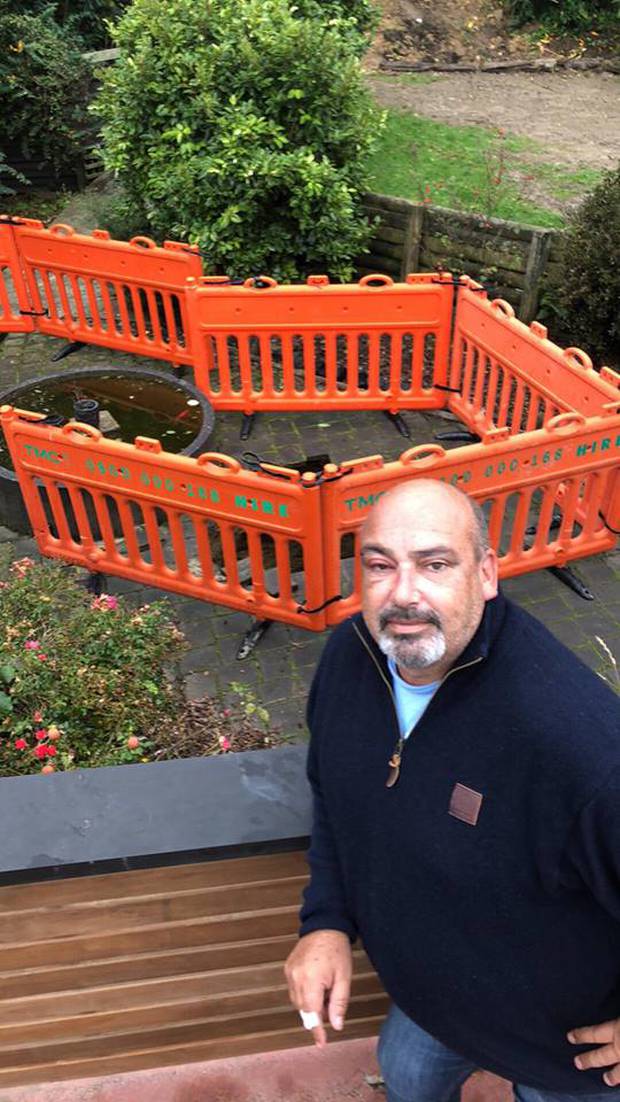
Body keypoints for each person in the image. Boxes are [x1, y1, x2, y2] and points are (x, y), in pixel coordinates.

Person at [284, 478, 620, 1102]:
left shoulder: (574, 739)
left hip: (563, 1046)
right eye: (380, 566)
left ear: (487, 574)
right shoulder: (349, 660)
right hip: (429, 1003)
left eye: (435, 564)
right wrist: (325, 922)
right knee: (407, 1078)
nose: (403, 595)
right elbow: (333, 795)